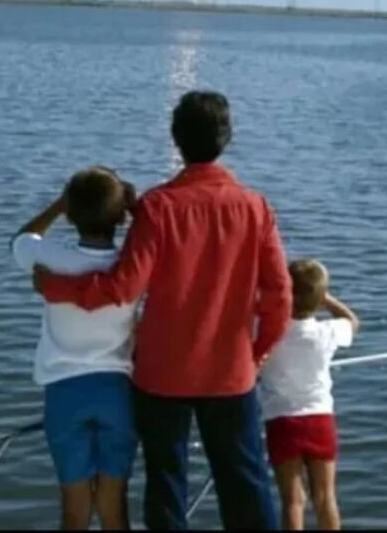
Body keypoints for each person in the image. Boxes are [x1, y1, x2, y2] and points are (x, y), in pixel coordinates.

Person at [34, 90, 292, 530]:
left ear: (176, 139)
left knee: (167, 484)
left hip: (163, 375)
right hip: (231, 372)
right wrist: (257, 352)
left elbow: (123, 286)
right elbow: (281, 296)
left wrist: (56, 287)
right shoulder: (254, 207)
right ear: (227, 138)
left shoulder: (158, 207)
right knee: (245, 485)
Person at [11, 166, 139, 531]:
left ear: (71, 212)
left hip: (66, 395)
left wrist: (57, 206)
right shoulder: (131, 266)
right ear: (119, 215)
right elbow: (159, 242)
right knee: (115, 510)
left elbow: (21, 239)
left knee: (74, 511)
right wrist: (134, 208)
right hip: (118, 393)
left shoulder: (49, 258)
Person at [258, 259, 360, 531]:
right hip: (319, 420)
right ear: (316, 299)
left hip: (281, 421)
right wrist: (326, 299)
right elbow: (352, 322)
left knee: (293, 501)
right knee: (326, 498)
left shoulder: (269, 333)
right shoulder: (326, 332)